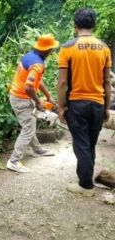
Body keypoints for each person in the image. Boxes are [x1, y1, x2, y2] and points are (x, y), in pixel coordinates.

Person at [57, 8, 112, 197]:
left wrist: (61, 106)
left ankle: (85, 185)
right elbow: (107, 82)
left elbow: (63, 82)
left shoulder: (67, 47)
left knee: (81, 144)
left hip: (77, 104)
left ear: (75, 26)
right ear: (94, 25)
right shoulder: (104, 48)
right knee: (90, 144)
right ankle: (86, 180)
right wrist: (106, 107)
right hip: (97, 103)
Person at [7, 34, 58, 173]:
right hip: (21, 98)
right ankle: (14, 161)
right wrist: (38, 102)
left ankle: (37, 149)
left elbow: (37, 81)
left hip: (20, 96)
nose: (52, 51)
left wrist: (48, 96)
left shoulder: (30, 56)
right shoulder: (37, 64)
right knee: (28, 129)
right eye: (52, 49)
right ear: (47, 50)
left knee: (30, 124)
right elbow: (29, 87)